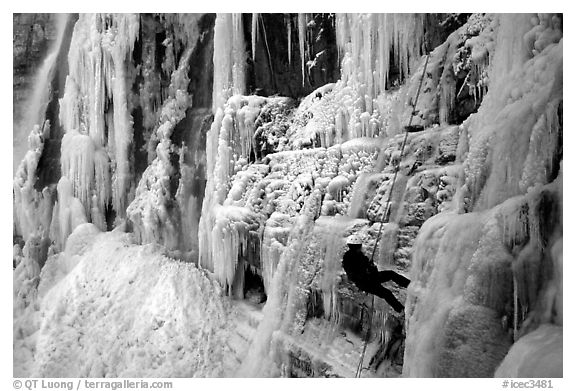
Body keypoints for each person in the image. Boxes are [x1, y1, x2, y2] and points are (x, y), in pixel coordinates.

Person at [342, 235, 410, 313]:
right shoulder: (352, 258)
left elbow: (364, 270)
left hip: (369, 279)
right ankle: (403, 305)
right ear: (358, 246)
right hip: (366, 282)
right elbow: (356, 273)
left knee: (387, 288)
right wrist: (368, 268)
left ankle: (401, 309)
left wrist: (369, 267)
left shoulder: (353, 256)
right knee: (387, 290)